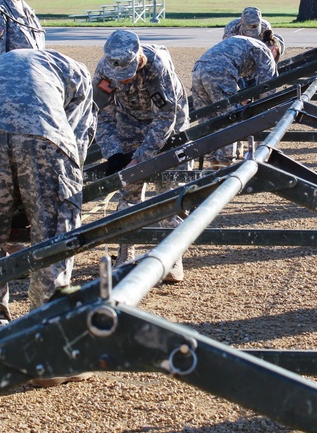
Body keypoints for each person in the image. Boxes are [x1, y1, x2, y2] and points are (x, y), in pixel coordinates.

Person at [0, 49, 94, 339]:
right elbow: (78, 136)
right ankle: (48, 335)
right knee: (54, 236)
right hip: (45, 134)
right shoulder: (78, 73)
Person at [94, 30, 189, 281]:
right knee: (129, 187)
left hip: (170, 123)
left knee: (169, 188)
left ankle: (172, 257)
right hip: (130, 120)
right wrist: (115, 153)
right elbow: (102, 116)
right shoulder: (104, 70)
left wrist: (141, 157)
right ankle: (126, 252)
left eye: (128, 75)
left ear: (138, 60)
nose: (123, 81)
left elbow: (166, 116)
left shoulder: (156, 65)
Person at [191, 33, 279, 168]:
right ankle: (225, 165)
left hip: (198, 69)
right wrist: (262, 113)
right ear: (274, 50)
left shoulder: (247, 43)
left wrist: (240, 96)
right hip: (220, 71)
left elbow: (227, 64)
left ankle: (214, 164)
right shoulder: (265, 52)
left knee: (207, 119)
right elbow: (269, 86)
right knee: (229, 118)